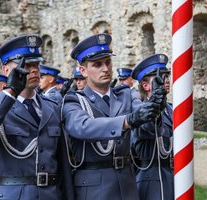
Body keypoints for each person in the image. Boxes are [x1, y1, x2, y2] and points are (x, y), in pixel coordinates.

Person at [0, 35, 73, 200]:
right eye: (25, 65)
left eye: (36, 64)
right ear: (6, 71)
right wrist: (10, 91)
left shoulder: (52, 107)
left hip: (51, 194)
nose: (33, 70)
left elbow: (63, 164)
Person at [61, 33, 166, 200]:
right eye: (97, 64)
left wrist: (155, 105)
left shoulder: (126, 96)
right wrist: (127, 121)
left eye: (108, 62)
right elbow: (83, 127)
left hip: (126, 184)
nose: (105, 68)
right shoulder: (74, 100)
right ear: (83, 70)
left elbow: (147, 128)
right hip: (94, 187)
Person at [130, 53, 173, 200]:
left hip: (172, 174)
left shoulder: (172, 109)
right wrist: (155, 103)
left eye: (167, 75)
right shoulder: (139, 111)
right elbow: (149, 126)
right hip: (151, 177)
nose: (166, 80)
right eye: (160, 77)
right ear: (146, 85)